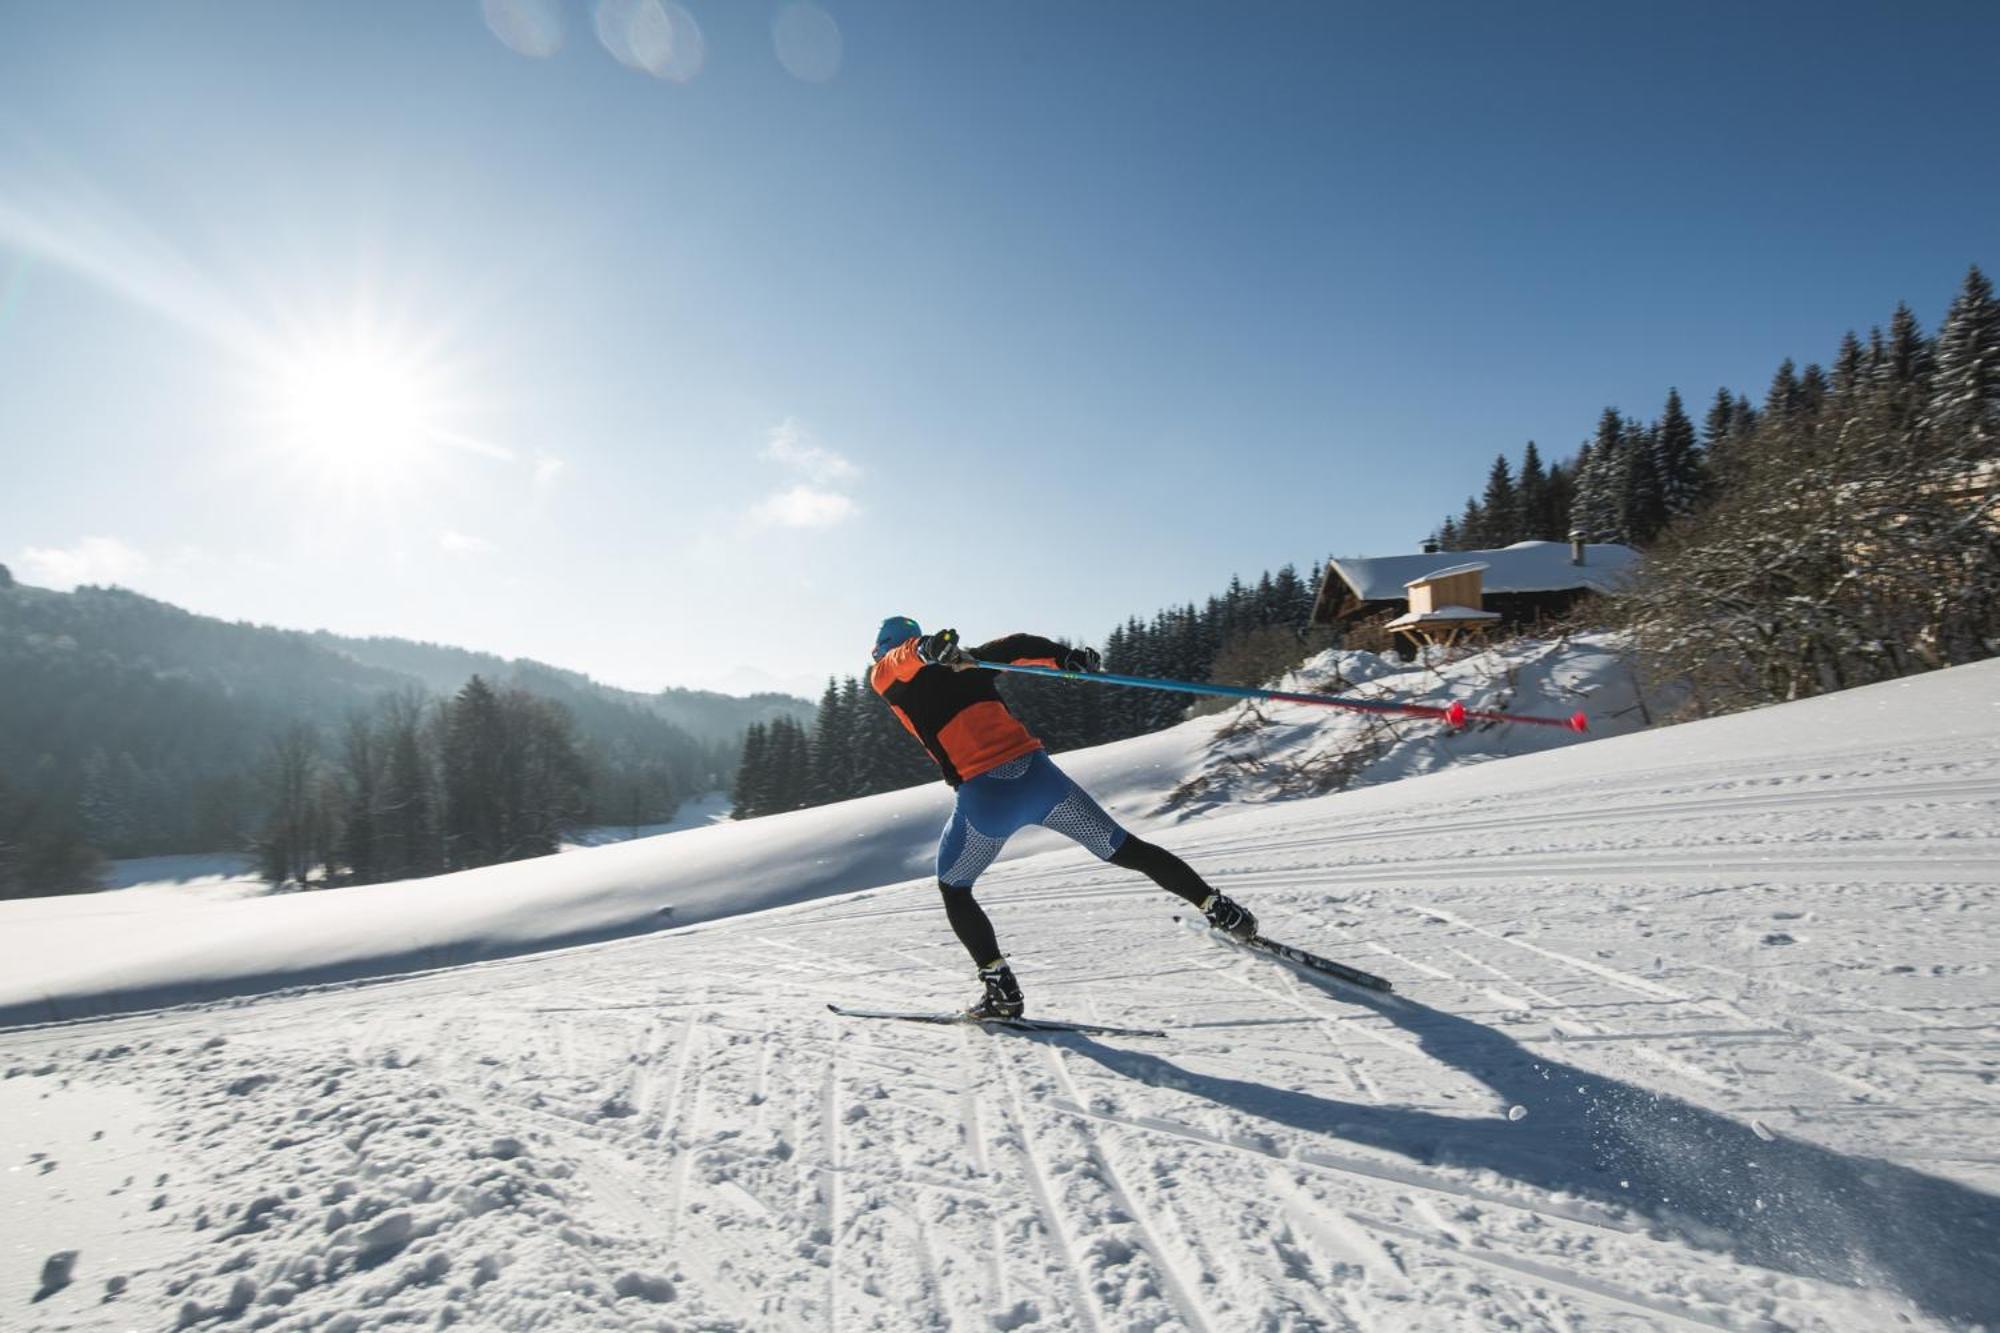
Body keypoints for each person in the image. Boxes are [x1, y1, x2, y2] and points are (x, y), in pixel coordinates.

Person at [868, 615, 1258, 1019]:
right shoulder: (967, 662)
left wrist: (926, 651)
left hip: (987, 798)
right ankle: (1218, 907)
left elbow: (896, 662)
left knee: (955, 887)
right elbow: (1015, 645)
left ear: (882, 646)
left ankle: (1001, 989)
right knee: (1127, 848)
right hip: (1041, 782)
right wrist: (1065, 658)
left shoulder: (887, 675)